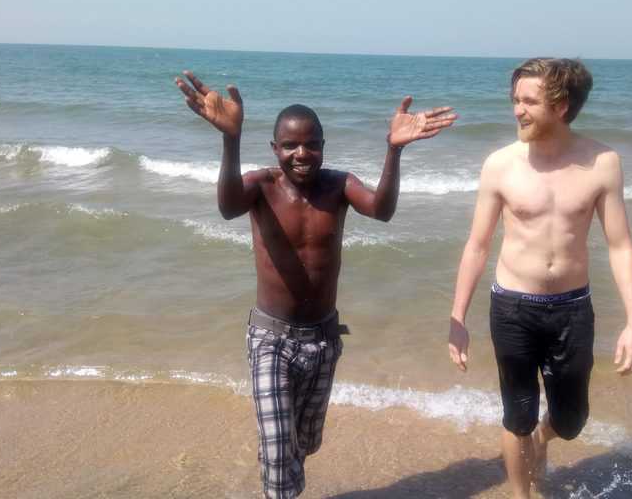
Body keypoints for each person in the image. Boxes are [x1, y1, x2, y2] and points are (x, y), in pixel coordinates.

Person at [175, 71, 456, 499]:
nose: (301, 153)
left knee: (303, 443)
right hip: (270, 338)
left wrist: (394, 150)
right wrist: (231, 140)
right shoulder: (260, 186)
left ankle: (283, 471)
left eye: (311, 144)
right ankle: (279, 480)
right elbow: (228, 207)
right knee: (277, 451)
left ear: (324, 146)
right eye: (290, 145)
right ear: (275, 148)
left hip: (323, 338)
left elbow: (381, 210)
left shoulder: (339, 186)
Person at [447, 58, 632, 498]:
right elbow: (477, 245)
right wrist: (457, 318)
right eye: (515, 100)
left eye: (529, 101)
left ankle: (543, 437)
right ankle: (522, 493)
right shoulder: (500, 165)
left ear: (561, 106)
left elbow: (620, 246)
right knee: (517, 416)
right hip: (512, 307)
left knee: (572, 421)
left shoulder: (603, 163)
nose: (517, 110)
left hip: (572, 309)